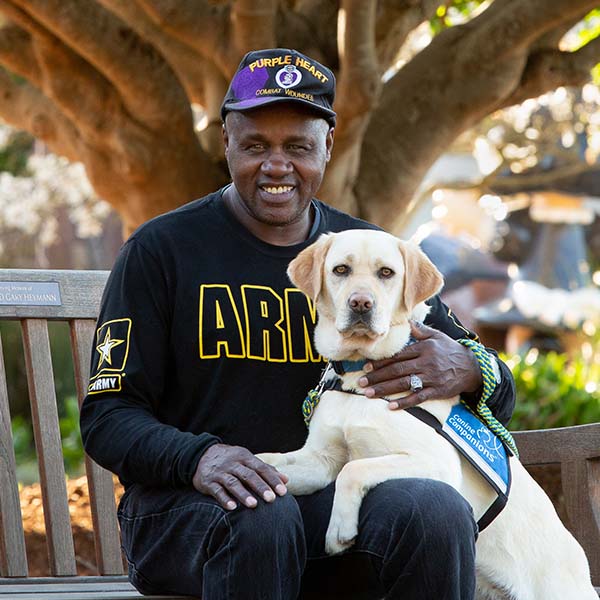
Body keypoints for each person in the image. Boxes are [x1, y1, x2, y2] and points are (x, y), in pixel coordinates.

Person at [80, 48, 516, 600]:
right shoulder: (162, 251)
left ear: (327, 148)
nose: (277, 165)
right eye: (256, 145)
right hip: (190, 511)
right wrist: (201, 457)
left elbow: (496, 385)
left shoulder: (367, 256)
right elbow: (107, 414)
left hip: (331, 505)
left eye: (298, 147)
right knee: (264, 515)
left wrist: (468, 369)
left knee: (433, 508)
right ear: (227, 143)